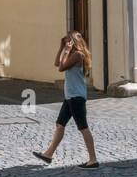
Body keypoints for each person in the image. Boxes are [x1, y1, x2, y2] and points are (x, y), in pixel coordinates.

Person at [32, 31, 99, 168]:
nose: (66, 42)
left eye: (68, 40)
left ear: (74, 41)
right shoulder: (71, 53)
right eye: (65, 40)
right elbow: (57, 62)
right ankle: (48, 154)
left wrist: (67, 50)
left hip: (76, 97)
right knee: (60, 124)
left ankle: (93, 160)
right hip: (70, 96)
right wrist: (61, 48)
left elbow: (61, 68)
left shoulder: (77, 55)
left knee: (83, 127)